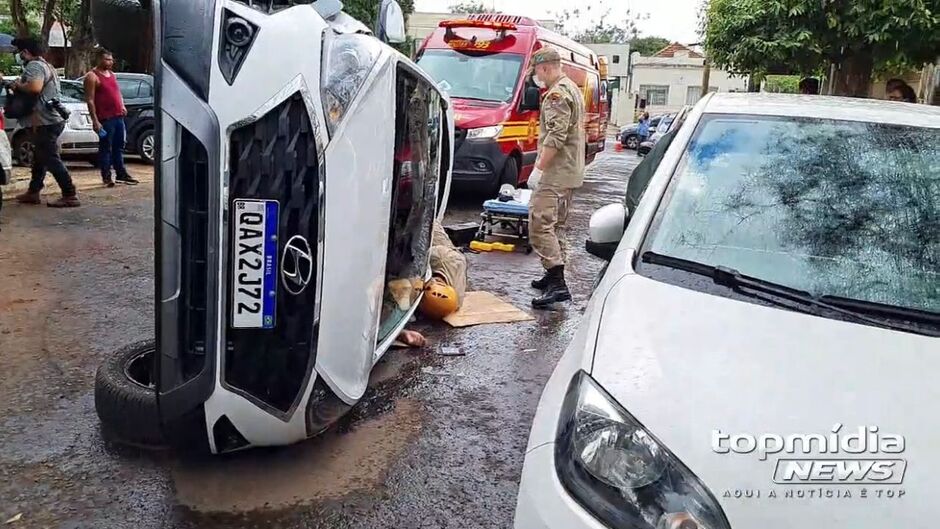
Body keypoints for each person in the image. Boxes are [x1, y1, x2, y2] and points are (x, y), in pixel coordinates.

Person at [526, 47, 586, 309]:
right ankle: (553, 275)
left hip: (556, 172)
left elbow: (556, 136)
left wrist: (538, 169)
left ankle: (557, 283)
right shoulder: (572, 87)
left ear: (545, 68)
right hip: (569, 171)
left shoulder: (557, 95)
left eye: (536, 72)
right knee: (556, 224)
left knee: (539, 222)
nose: (536, 77)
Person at [11, 37, 80, 208]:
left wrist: (18, 85)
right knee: (40, 157)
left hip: (43, 121)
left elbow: (34, 87)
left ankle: (69, 193)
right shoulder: (47, 65)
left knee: (50, 157)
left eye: (19, 52)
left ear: (26, 52)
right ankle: (33, 191)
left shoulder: (34, 66)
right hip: (51, 119)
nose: (18, 55)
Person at [84, 48, 138, 187]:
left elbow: (117, 92)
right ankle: (106, 176)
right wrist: (95, 121)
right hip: (105, 118)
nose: (110, 62)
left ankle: (121, 173)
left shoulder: (112, 74)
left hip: (118, 116)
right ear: (99, 59)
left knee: (119, 147)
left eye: (111, 59)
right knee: (105, 148)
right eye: (107, 59)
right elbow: (90, 100)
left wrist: (122, 105)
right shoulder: (92, 76)